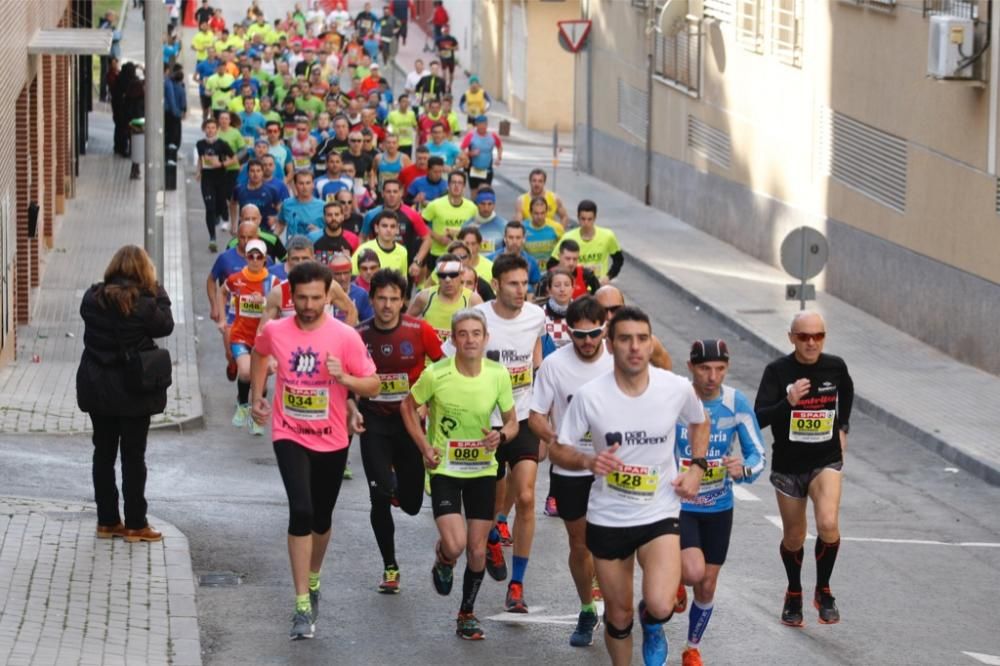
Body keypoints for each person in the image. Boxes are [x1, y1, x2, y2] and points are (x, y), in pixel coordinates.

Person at [550, 306, 710, 666]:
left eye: (642, 339)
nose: (635, 347)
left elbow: (700, 422)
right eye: (625, 339)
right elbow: (559, 448)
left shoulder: (675, 387)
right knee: (618, 616)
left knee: (660, 602)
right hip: (609, 516)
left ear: (651, 343)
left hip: (659, 510)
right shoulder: (591, 395)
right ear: (610, 344)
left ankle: (653, 622)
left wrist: (697, 468)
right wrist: (588, 461)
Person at [250, 261, 379, 640]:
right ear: (292, 295)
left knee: (321, 518)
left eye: (315, 298)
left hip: (332, 438)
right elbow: (259, 353)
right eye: (301, 298)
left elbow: (372, 384)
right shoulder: (276, 329)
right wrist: (257, 395)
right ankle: (302, 603)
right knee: (301, 510)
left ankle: (315, 575)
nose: (308, 305)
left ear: (329, 296)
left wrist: (345, 378)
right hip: (289, 432)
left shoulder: (345, 337)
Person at [400, 308, 518, 641]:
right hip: (446, 470)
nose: (469, 339)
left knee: (478, 550)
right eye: (462, 334)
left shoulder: (498, 375)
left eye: (476, 334)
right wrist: (424, 446)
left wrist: (502, 436)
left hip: (483, 470)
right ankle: (444, 558)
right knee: (456, 544)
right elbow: (407, 407)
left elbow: (511, 421)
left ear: (485, 338)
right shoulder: (436, 374)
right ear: (453, 339)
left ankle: (466, 613)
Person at [754, 311, 854, 627]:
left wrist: (843, 428)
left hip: (825, 459)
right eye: (803, 336)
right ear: (791, 338)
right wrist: (788, 402)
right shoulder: (777, 371)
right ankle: (794, 591)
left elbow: (847, 393)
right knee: (795, 536)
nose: (811, 342)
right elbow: (758, 417)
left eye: (818, 336)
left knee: (827, 523)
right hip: (788, 465)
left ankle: (823, 590)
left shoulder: (835, 367)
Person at [527, 295, 612, 647]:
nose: (588, 342)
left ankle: (617, 605)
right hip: (571, 470)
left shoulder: (620, 359)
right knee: (580, 545)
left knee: (612, 543)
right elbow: (535, 415)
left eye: (594, 334)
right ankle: (587, 607)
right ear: (569, 332)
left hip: (613, 469)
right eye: (580, 335)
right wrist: (556, 438)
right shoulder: (554, 365)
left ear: (604, 329)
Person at [676, 339, 766, 666]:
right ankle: (673, 579)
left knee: (708, 584)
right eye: (704, 368)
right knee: (691, 572)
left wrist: (744, 469)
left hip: (719, 507)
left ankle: (691, 647)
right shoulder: (678, 400)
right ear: (691, 367)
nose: (712, 376)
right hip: (681, 505)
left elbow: (758, 453)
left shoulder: (735, 402)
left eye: (719, 369)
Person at [355, 268, 444, 592]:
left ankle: (396, 484)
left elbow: (445, 367)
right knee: (378, 496)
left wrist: (426, 403)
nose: (388, 305)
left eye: (394, 299)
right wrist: (352, 408)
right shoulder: (360, 334)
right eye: (381, 298)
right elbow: (348, 381)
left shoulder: (419, 330)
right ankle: (390, 567)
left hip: (409, 423)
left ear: (403, 301)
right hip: (374, 420)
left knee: (410, 504)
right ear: (372, 299)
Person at [77, 245, 174, 544]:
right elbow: (166, 326)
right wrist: (158, 290)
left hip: (97, 387)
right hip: (134, 391)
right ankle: (135, 524)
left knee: (103, 454)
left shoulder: (92, 299)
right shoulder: (145, 304)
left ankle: (107, 521)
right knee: (133, 457)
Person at [467, 254, 545, 613]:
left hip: (525, 415)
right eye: (513, 284)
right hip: (486, 421)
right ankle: (496, 531)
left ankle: (517, 583)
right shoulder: (480, 319)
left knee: (527, 497)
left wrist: (545, 422)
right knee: (494, 503)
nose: (521, 290)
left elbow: (537, 363)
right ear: (496, 284)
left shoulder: (536, 317)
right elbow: (459, 362)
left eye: (525, 283)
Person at [223, 239, 281, 436]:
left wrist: (264, 302)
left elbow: (281, 310)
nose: (255, 260)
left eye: (259, 257)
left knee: (262, 380)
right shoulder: (236, 278)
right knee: (247, 373)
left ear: (265, 259)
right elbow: (222, 291)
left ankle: (257, 417)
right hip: (241, 336)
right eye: (251, 256)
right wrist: (224, 317)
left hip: (263, 338)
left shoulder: (273, 282)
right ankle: (242, 404)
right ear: (246, 257)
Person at [594, 285, 672, 371]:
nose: (609, 317)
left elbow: (666, 370)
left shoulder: (648, 343)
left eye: (615, 309)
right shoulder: (585, 342)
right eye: (602, 310)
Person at [408, 254, 483, 341]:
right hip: (429, 354)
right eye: (443, 275)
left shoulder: (472, 300)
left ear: (461, 275)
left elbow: (485, 330)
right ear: (437, 277)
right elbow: (405, 323)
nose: (448, 280)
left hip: (458, 355)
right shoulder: (425, 297)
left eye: (453, 274)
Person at [548, 200, 624, 283]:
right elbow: (552, 263)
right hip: (575, 285)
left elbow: (618, 260)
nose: (586, 223)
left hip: (598, 285)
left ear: (595, 218)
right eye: (583, 219)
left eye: (589, 219)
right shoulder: (568, 237)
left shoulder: (608, 236)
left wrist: (608, 276)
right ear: (578, 217)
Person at [196, 117, 238, 252]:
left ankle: (224, 216)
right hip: (207, 180)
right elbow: (200, 159)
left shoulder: (222, 144)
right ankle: (212, 238)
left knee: (220, 204)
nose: (210, 130)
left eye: (213, 128)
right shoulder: (200, 144)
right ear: (204, 129)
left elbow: (234, 158)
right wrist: (198, 171)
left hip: (220, 179)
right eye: (208, 128)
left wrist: (222, 164)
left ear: (217, 129)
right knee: (209, 208)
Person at [421, 170, 477, 270]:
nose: (456, 186)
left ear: (464, 186)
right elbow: (420, 224)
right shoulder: (435, 205)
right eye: (453, 182)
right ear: (448, 185)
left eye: (460, 183)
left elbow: (476, 230)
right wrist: (437, 237)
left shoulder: (472, 207)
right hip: (438, 254)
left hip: (463, 256)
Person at [488, 221, 542, 293]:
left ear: (523, 239)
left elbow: (536, 287)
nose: (514, 241)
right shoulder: (490, 260)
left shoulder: (531, 262)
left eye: (518, 238)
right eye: (511, 237)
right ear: (504, 238)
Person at [352, 211, 409, 277]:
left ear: (397, 229)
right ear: (376, 228)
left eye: (392, 226)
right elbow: (353, 276)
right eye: (384, 226)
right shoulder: (364, 249)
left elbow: (403, 281)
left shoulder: (402, 251)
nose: (388, 230)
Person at [277, 170, 326, 241]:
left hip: (315, 248)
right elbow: (280, 223)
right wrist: (273, 237)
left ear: (313, 185)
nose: (305, 187)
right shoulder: (287, 204)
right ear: (295, 185)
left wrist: (320, 232)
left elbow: (332, 230)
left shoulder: (323, 206)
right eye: (301, 183)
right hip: (292, 247)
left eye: (308, 183)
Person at [537, 268, 574, 358]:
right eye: (557, 285)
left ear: (573, 289)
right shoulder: (539, 314)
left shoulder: (581, 313)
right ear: (549, 290)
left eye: (567, 285)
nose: (562, 289)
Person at [460, 116, 502, 193]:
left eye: (484, 125)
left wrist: (498, 158)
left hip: (487, 169)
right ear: (476, 125)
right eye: (480, 125)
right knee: (474, 192)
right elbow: (461, 150)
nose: (482, 127)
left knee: (485, 191)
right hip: (474, 169)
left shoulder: (493, 136)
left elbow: (499, 146)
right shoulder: (471, 136)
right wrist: (470, 153)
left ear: (487, 125)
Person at [462, 187, 506, 256]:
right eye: (482, 204)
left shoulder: (504, 225)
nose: (486, 208)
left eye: (489, 204)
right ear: (477, 204)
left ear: (494, 205)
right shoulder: (467, 226)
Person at [523, 196, 565, 267]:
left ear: (546, 212)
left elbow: (565, 250)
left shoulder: (556, 228)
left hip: (551, 272)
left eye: (542, 213)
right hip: (530, 271)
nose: (539, 217)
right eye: (536, 213)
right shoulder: (522, 228)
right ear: (530, 212)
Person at [435, 25, 459, 92]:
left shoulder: (452, 39)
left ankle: (450, 85)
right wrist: (438, 53)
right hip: (443, 57)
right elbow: (436, 49)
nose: (445, 33)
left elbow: (457, 48)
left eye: (446, 31)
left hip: (451, 58)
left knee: (451, 73)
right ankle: (444, 85)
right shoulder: (438, 39)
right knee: (444, 72)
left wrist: (450, 48)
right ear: (442, 32)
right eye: (444, 31)